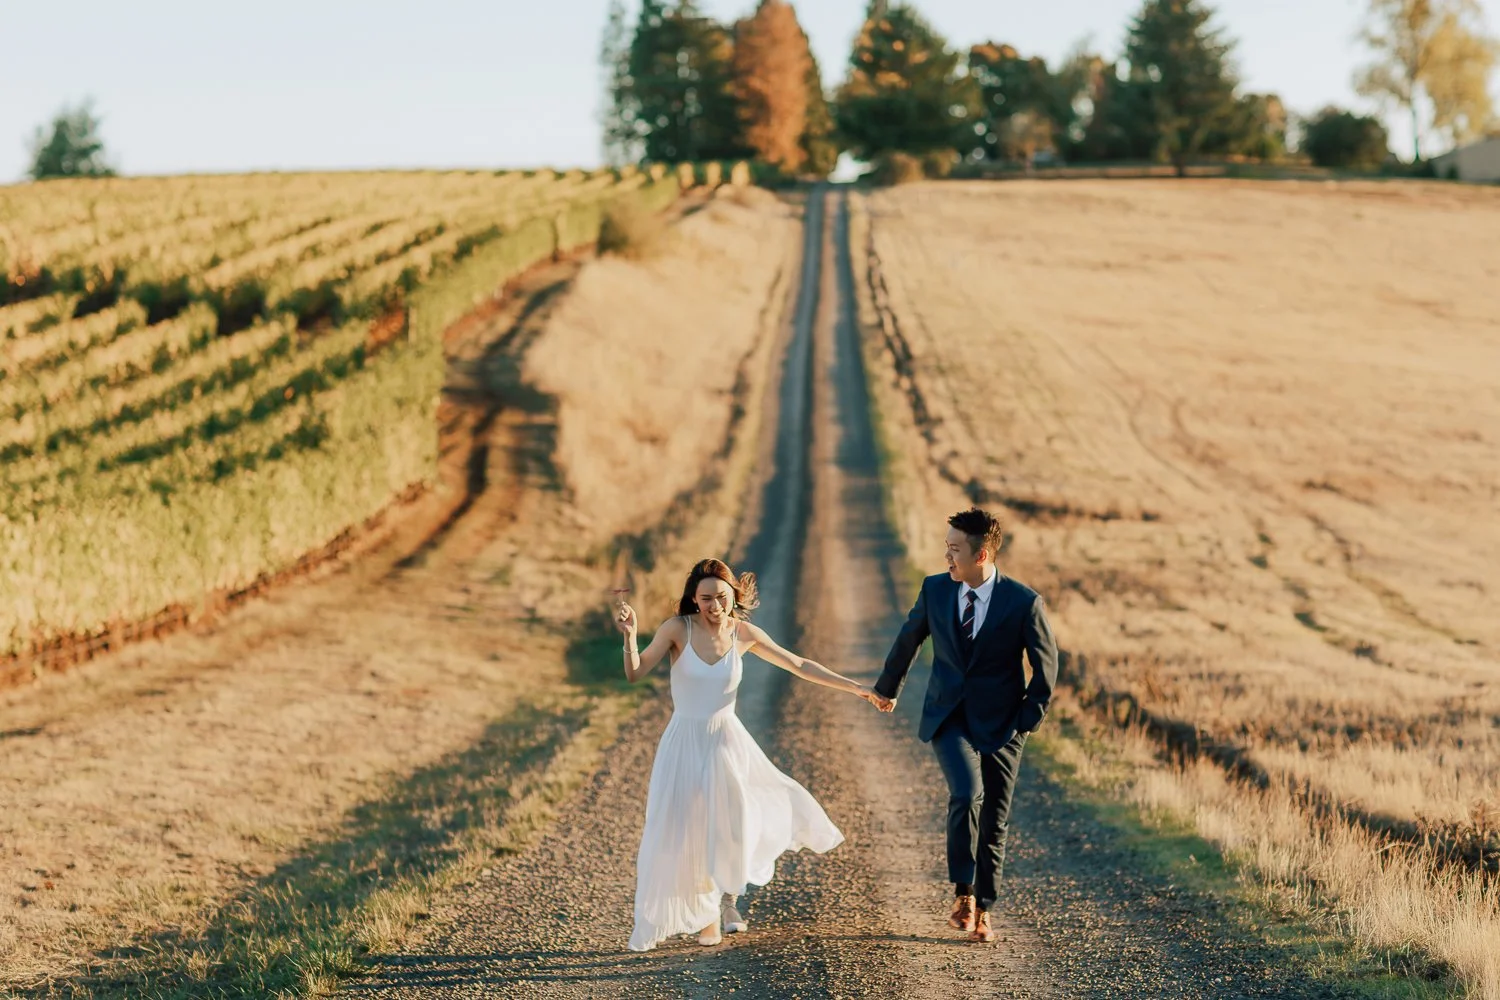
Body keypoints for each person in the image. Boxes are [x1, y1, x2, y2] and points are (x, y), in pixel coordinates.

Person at [616, 557, 885, 951]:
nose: (714, 606)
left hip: (727, 740)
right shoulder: (677, 629)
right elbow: (635, 673)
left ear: (733, 596)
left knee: (732, 821)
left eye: (721, 597)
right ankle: (705, 910)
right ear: (693, 597)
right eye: (706, 598)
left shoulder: (743, 633)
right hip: (684, 742)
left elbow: (799, 664)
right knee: (685, 826)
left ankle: (728, 901)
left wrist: (857, 688)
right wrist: (630, 636)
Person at [872, 507, 1059, 943]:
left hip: (1004, 724)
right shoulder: (936, 590)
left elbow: (1046, 669)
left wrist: (1025, 722)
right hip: (949, 715)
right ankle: (963, 893)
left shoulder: (1023, 602)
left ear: (983, 554)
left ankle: (986, 910)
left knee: (995, 819)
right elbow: (909, 637)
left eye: (955, 549)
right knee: (965, 792)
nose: (947, 557)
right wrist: (888, 687)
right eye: (946, 547)